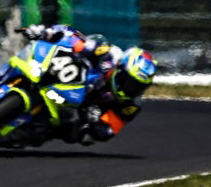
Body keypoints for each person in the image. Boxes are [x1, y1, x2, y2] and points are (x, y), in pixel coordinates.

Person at [18, 23, 157, 145]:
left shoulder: (131, 106)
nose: (131, 89)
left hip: (75, 108)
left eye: (138, 87)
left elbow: (109, 130)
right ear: (121, 68)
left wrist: (96, 122)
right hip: (63, 75)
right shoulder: (108, 54)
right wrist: (46, 31)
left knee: (81, 136)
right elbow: (75, 38)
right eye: (130, 82)